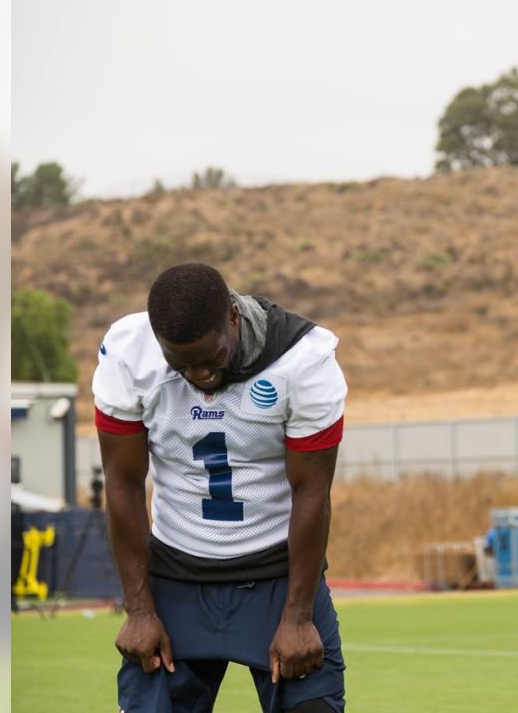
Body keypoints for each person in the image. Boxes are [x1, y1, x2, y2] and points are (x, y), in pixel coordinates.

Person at [94, 263, 348, 712]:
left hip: (276, 573)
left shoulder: (302, 359)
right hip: (175, 573)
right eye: (180, 363)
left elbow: (312, 493)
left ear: (233, 317)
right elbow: (124, 484)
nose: (197, 375)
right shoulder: (128, 352)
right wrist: (138, 610)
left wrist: (298, 615)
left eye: (210, 358)